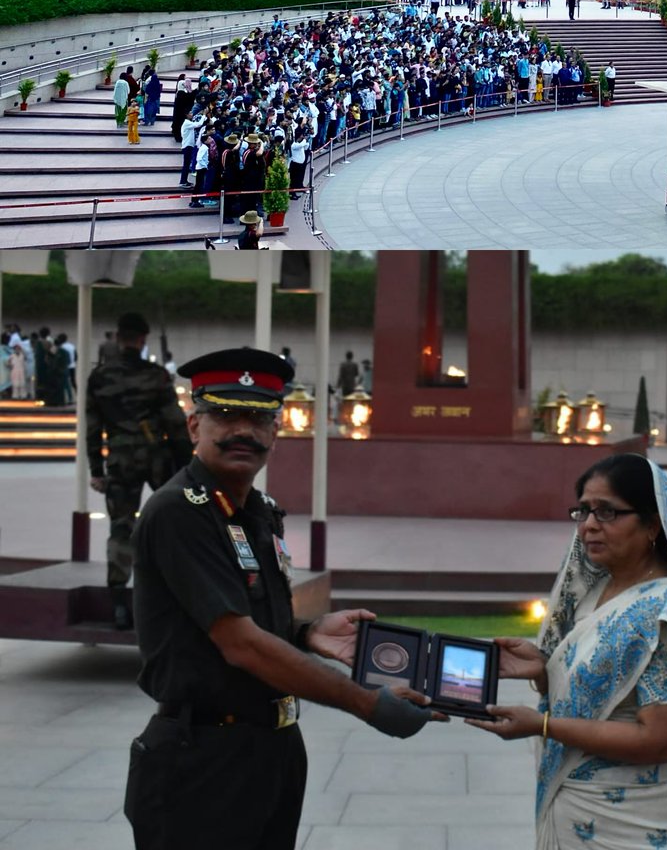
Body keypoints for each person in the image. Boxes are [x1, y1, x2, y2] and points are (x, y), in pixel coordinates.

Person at [123, 347, 444, 850]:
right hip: (202, 761)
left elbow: (236, 624)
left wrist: (306, 633)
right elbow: (240, 645)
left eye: (257, 418)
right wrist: (365, 703)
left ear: (276, 431)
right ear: (194, 427)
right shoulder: (180, 511)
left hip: (270, 752)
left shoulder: (258, 510)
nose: (242, 431)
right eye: (225, 416)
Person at [467, 452, 667, 849]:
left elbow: (662, 739)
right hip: (579, 813)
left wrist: (543, 726)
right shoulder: (593, 593)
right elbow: (604, 686)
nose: (588, 526)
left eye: (607, 512)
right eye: (582, 511)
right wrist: (544, 669)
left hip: (640, 825)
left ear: (653, 524)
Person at [86, 311, 193, 630]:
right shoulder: (157, 375)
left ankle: (119, 604)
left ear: (118, 337)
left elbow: (92, 428)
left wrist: (96, 468)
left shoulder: (99, 377)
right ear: (143, 339)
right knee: (172, 521)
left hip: (119, 459)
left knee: (120, 527)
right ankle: (170, 592)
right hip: (156, 457)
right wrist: (187, 465)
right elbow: (175, 424)